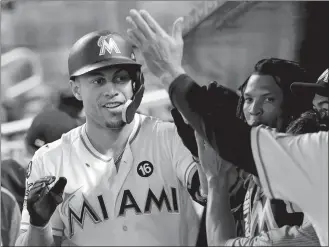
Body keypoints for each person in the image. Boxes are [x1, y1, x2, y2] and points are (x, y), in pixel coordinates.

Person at [125, 9, 328, 245]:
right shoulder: (257, 177)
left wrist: (170, 73)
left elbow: (235, 144)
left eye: (269, 99)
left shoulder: (315, 159)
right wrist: (206, 161)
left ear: (293, 108)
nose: (254, 110)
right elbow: (218, 202)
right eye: (248, 99)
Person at [16, 30, 204, 246]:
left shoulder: (169, 138)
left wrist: (203, 151)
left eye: (121, 78)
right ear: (76, 89)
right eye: (98, 81)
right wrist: (39, 225)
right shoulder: (49, 159)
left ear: (134, 83)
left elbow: (210, 192)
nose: (111, 90)